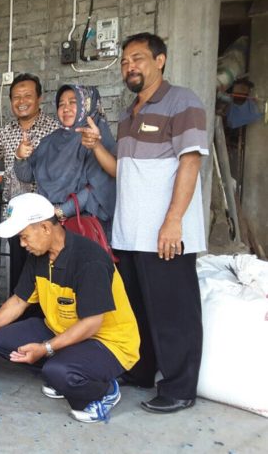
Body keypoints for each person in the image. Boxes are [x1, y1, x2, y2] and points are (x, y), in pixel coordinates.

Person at [84, 33, 208, 414]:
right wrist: (97, 146)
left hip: (165, 233)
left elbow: (191, 161)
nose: (130, 67)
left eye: (137, 58)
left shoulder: (182, 101)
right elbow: (125, 171)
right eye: (124, 62)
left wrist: (173, 222)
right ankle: (142, 371)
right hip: (131, 233)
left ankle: (179, 388)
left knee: (174, 311)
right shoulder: (128, 115)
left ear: (161, 60)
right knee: (139, 308)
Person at [0, 193, 140, 423]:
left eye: (25, 237)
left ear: (46, 228)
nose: (22, 244)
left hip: (107, 342)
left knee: (59, 371)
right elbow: (19, 301)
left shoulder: (90, 260)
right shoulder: (39, 256)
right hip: (61, 330)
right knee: (3, 340)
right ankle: (64, 369)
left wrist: (45, 348)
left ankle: (105, 390)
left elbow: (91, 324)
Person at [0, 73, 58, 293]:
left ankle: (43, 317)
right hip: (14, 213)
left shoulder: (53, 130)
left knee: (46, 269)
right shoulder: (6, 132)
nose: (21, 101)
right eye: (16, 97)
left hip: (44, 214)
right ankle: (20, 318)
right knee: (18, 266)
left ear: (39, 98)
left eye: (27, 96)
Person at [13, 85, 116, 239]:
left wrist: (61, 211)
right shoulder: (50, 141)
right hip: (48, 224)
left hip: (82, 226)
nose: (66, 108)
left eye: (73, 102)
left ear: (86, 106)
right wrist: (20, 157)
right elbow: (27, 176)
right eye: (61, 104)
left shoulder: (95, 140)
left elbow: (97, 188)